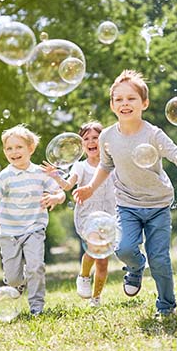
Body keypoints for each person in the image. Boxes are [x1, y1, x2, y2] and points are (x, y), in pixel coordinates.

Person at [73, 70, 177, 317]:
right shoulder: (107, 136)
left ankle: (166, 306)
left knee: (160, 260)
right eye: (119, 99)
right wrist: (90, 187)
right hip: (127, 204)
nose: (125, 104)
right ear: (112, 105)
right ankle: (135, 267)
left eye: (131, 98)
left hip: (158, 205)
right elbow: (106, 165)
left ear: (144, 103)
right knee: (123, 249)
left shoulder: (153, 134)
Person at [0, 124, 66, 315]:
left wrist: (55, 198)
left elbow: (60, 192)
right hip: (9, 233)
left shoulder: (40, 173)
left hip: (34, 229)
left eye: (19, 147)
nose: (14, 152)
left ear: (30, 148)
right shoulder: (3, 177)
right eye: (9, 148)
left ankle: (36, 307)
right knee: (13, 278)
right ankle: (18, 286)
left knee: (35, 266)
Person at [42, 121, 116, 307]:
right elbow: (67, 185)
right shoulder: (80, 167)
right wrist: (56, 176)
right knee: (94, 248)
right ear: (81, 145)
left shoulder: (113, 164)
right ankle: (83, 276)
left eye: (95, 138)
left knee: (103, 262)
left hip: (110, 215)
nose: (91, 142)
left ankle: (96, 298)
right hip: (87, 215)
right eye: (86, 139)